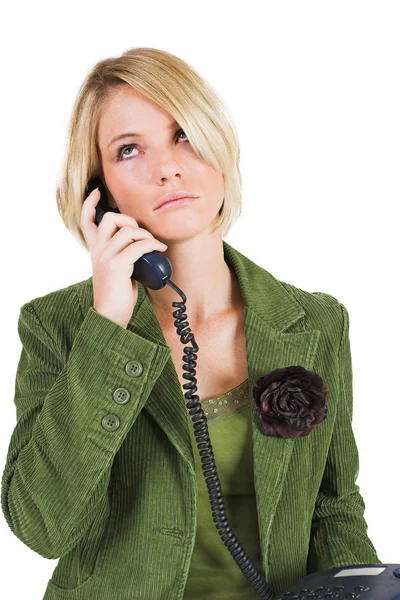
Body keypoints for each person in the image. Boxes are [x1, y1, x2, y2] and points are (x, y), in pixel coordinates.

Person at [0, 47, 381, 600]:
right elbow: (42, 527)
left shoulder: (316, 322)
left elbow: (333, 506)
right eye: (129, 149)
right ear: (97, 191)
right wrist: (107, 324)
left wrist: (364, 590)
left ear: (219, 146)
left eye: (184, 134)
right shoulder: (57, 325)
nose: (167, 167)